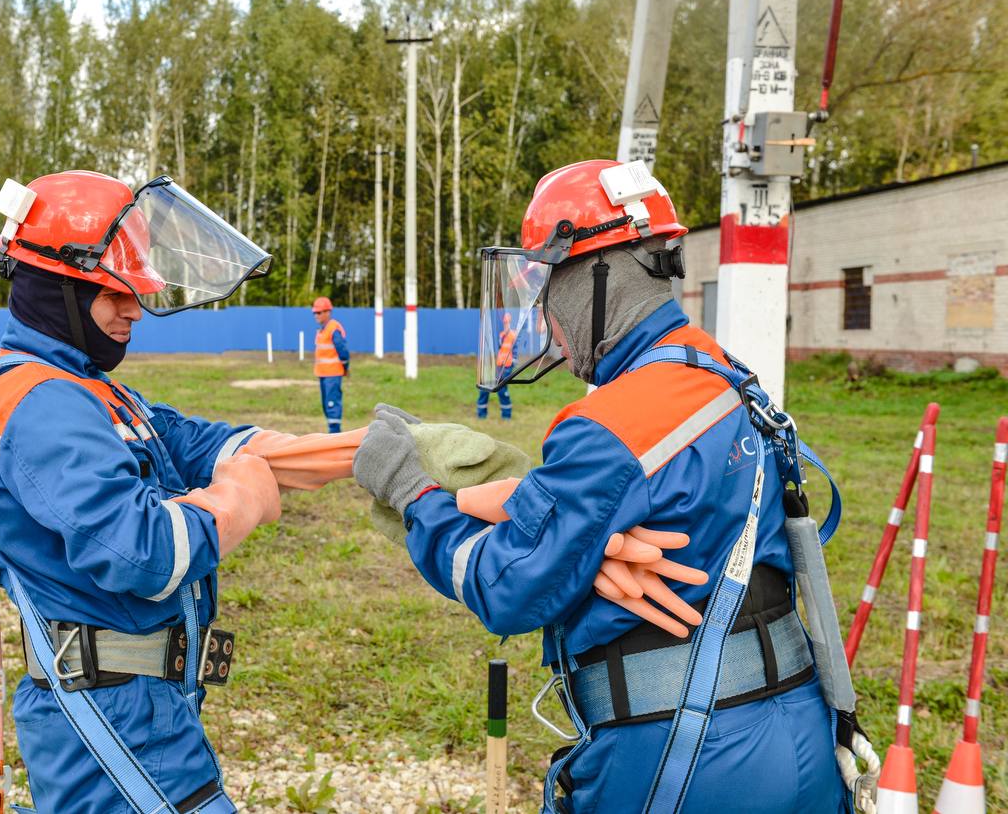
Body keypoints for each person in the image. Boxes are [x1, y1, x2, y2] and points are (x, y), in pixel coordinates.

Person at [353, 160, 858, 813]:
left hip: (685, 754)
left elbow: (509, 588)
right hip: (799, 738)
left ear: (597, 275)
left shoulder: (611, 425)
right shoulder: (726, 376)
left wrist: (409, 489)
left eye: (547, 283)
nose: (543, 312)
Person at [0, 170, 290, 813]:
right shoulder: (42, 402)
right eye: (112, 293)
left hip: (134, 708)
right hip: (106, 718)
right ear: (54, 285)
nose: (133, 310)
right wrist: (240, 502)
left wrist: (370, 453)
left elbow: (196, 444)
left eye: (133, 291)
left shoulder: (84, 388)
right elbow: (142, 552)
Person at [312, 296, 349, 433]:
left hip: (332, 374)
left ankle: (335, 435)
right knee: (326, 406)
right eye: (315, 312)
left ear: (328, 312)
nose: (316, 315)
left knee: (332, 405)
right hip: (323, 373)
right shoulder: (322, 330)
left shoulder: (333, 328)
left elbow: (343, 350)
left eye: (319, 312)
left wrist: (345, 367)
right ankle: (332, 434)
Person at [475, 312, 514, 420]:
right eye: (505, 322)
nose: (506, 324)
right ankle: (481, 414)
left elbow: (514, 354)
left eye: (507, 322)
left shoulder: (513, 335)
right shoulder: (502, 335)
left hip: (506, 367)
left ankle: (506, 416)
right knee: (484, 388)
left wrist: (508, 371)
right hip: (498, 366)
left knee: (502, 391)